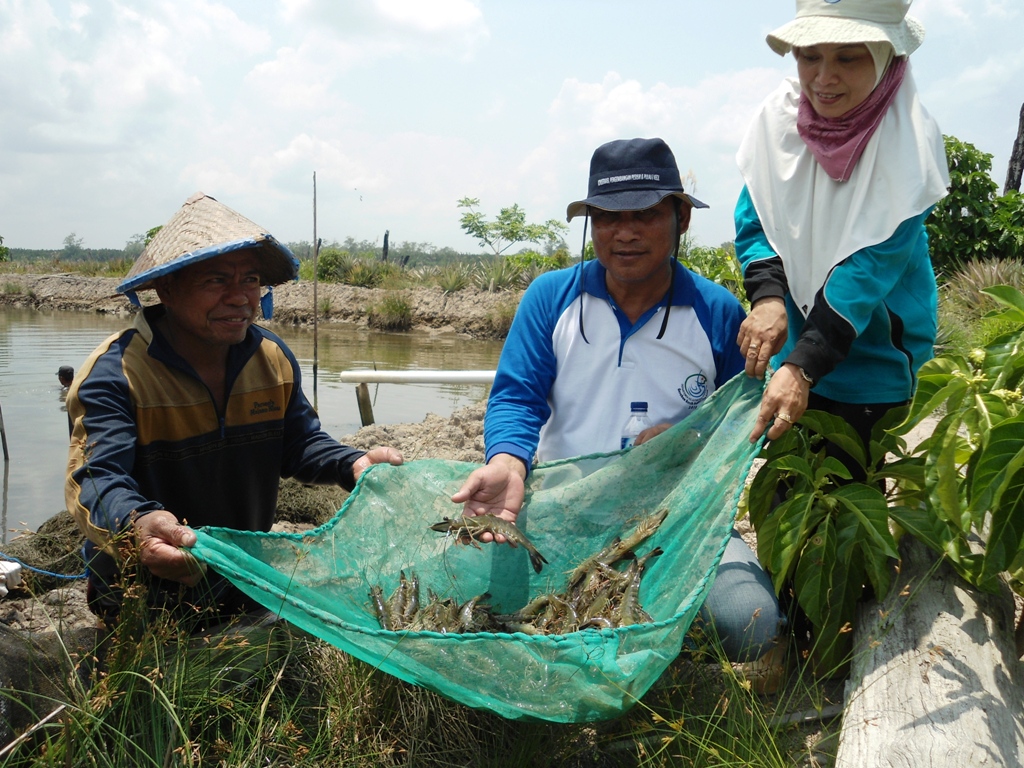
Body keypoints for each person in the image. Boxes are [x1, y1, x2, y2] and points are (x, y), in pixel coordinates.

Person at [452, 138, 786, 678]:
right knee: (487, 606)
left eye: (645, 214)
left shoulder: (718, 312)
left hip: (674, 519)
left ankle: (660, 644)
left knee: (747, 621)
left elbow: (739, 425)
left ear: (680, 218)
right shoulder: (551, 298)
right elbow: (517, 396)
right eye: (607, 217)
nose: (624, 232)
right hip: (560, 509)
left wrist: (688, 440)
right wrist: (508, 462)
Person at [65, 192, 403, 628]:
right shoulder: (116, 374)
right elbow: (96, 479)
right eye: (216, 281)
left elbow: (299, 443)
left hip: (243, 576)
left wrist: (351, 463)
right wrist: (140, 524)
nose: (240, 297)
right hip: (144, 588)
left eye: (250, 280)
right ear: (166, 289)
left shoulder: (271, 357)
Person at [735, 0, 949, 465]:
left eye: (848, 58)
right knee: (789, 488)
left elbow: (864, 275)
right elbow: (759, 221)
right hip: (796, 353)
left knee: (851, 489)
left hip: (875, 364)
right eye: (809, 56)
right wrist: (768, 298)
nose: (823, 77)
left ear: (886, 56)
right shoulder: (777, 122)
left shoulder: (910, 146)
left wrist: (803, 366)